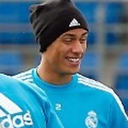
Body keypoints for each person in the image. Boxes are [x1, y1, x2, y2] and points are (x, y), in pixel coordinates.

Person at [13, 0, 128, 127]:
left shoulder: (105, 99)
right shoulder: (12, 94)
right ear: (46, 43)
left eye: (83, 39)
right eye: (68, 40)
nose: (78, 49)